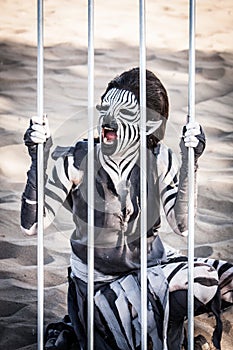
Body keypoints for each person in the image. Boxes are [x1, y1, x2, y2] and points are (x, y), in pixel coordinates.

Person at [21, 68, 206, 349]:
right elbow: (32, 225)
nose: (108, 121)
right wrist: (38, 159)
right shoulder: (76, 161)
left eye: (123, 114)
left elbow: (184, 228)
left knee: (217, 282)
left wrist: (190, 161)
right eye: (106, 109)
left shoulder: (160, 160)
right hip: (99, 285)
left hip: (151, 271)